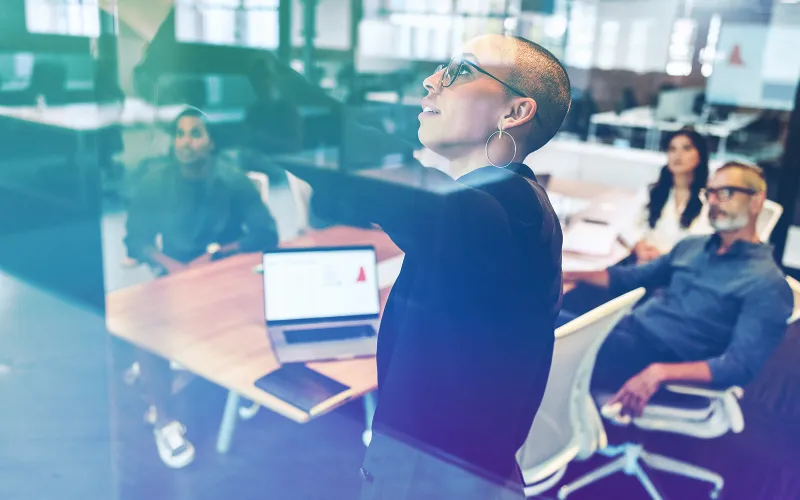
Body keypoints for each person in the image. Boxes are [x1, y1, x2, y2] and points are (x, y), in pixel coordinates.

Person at [298, 34, 570, 498]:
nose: (431, 81)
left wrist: (269, 98)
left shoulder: (507, 211)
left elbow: (406, 194)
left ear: (514, 112)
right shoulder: (509, 203)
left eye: (459, 70)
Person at [565, 162, 793, 418]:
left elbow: (738, 366)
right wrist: (567, 274)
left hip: (658, 357)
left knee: (538, 335)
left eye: (726, 193)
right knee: (540, 316)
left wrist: (660, 372)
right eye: (710, 193)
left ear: (756, 201)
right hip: (626, 330)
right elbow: (628, 278)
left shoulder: (767, 284)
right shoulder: (692, 247)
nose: (714, 201)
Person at [124, 107, 279, 468]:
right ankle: (164, 419)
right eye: (180, 134)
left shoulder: (233, 180)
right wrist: (171, 266)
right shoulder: (155, 181)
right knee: (143, 324)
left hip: (224, 272)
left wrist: (216, 254)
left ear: (211, 142)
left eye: (195, 134)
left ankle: (237, 377)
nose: (186, 142)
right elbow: (136, 239)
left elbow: (265, 234)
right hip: (174, 272)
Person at [624, 128, 713, 263]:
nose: (678, 155)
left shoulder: (709, 198)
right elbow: (626, 224)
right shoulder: (653, 191)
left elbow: (705, 242)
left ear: (700, 155)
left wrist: (665, 257)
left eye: (686, 148)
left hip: (683, 271)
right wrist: (639, 245)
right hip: (646, 266)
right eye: (672, 149)